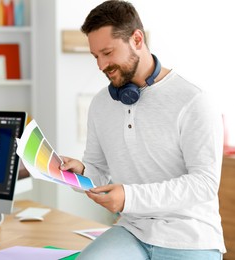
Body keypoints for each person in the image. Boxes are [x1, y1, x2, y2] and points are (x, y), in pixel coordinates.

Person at [60, 1, 225, 259]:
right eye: (96, 57)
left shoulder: (194, 100)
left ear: (137, 39)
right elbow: (98, 173)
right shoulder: (101, 104)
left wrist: (129, 196)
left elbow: (204, 184)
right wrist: (81, 172)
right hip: (133, 230)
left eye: (107, 52)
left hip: (189, 236)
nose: (101, 66)